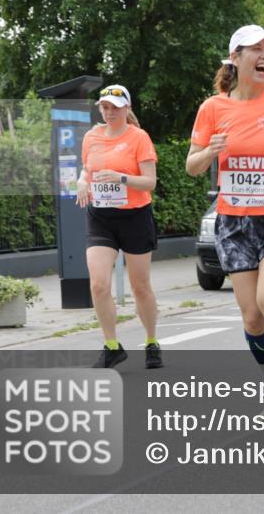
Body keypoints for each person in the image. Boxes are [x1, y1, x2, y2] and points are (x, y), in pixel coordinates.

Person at [186, 25, 264, 421]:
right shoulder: (212, 108)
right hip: (234, 220)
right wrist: (209, 150)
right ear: (235, 58)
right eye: (256, 50)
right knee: (252, 316)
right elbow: (192, 166)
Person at [78, 85, 162, 369]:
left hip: (135, 216)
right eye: (105, 107)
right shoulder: (91, 137)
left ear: (127, 108)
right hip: (100, 217)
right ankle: (112, 346)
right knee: (99, 284)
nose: (109, 112)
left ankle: (151, 341)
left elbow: (150, 182)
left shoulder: (139, 138)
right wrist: (81, 182)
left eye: (115, 107)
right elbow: (86, 170)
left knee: (140, 287)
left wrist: (121, 178)